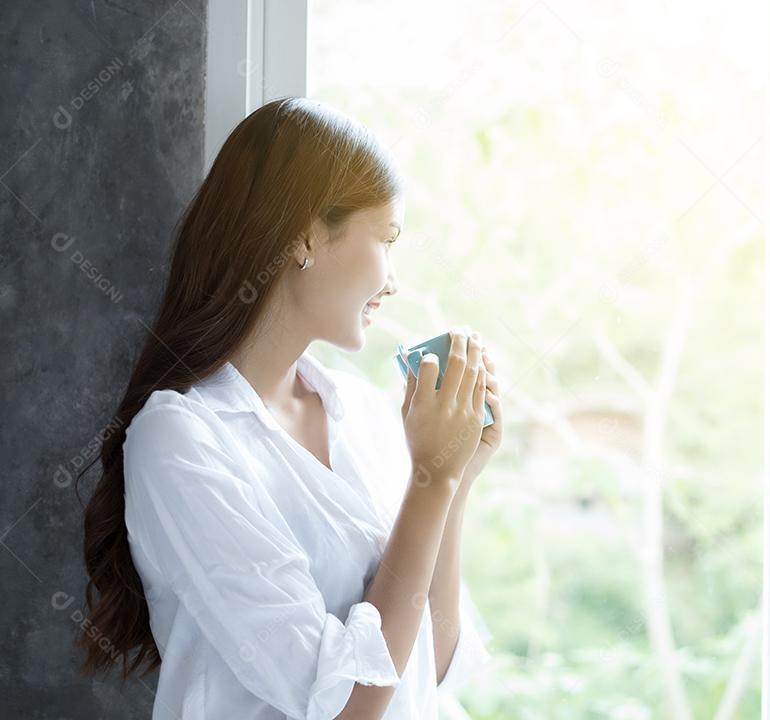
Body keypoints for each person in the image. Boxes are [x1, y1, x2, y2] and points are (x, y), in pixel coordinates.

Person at [76, 97, 503, 719]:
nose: (393, 281)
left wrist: (454, 477)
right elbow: (346, 708)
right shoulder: (180, 441)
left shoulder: (362, 411)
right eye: (386, 239)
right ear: (304, 235)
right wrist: (430, 480)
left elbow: (429, 665)